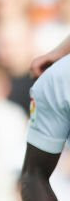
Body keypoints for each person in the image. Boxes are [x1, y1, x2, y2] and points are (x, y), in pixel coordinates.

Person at [20, 35, 70, 199]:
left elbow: (33, 178)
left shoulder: (58, 77)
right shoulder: (57, 79)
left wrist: (61, 50)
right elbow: (34, 177)